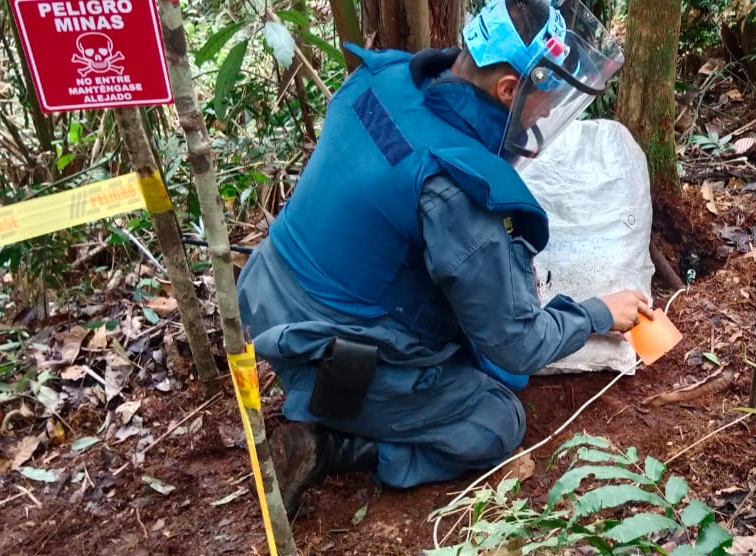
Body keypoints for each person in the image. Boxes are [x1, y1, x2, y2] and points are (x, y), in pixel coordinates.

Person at [235, 0, 651, 516]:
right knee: (499, 419)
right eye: (546, 99)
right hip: (330, 352)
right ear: (507, 90)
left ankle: (351, 404)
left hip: (266, 296)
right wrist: (596, 313)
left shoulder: (382, 78)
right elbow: (516, 344)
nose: (547, 113)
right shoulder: (456, 187)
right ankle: (336, 445)